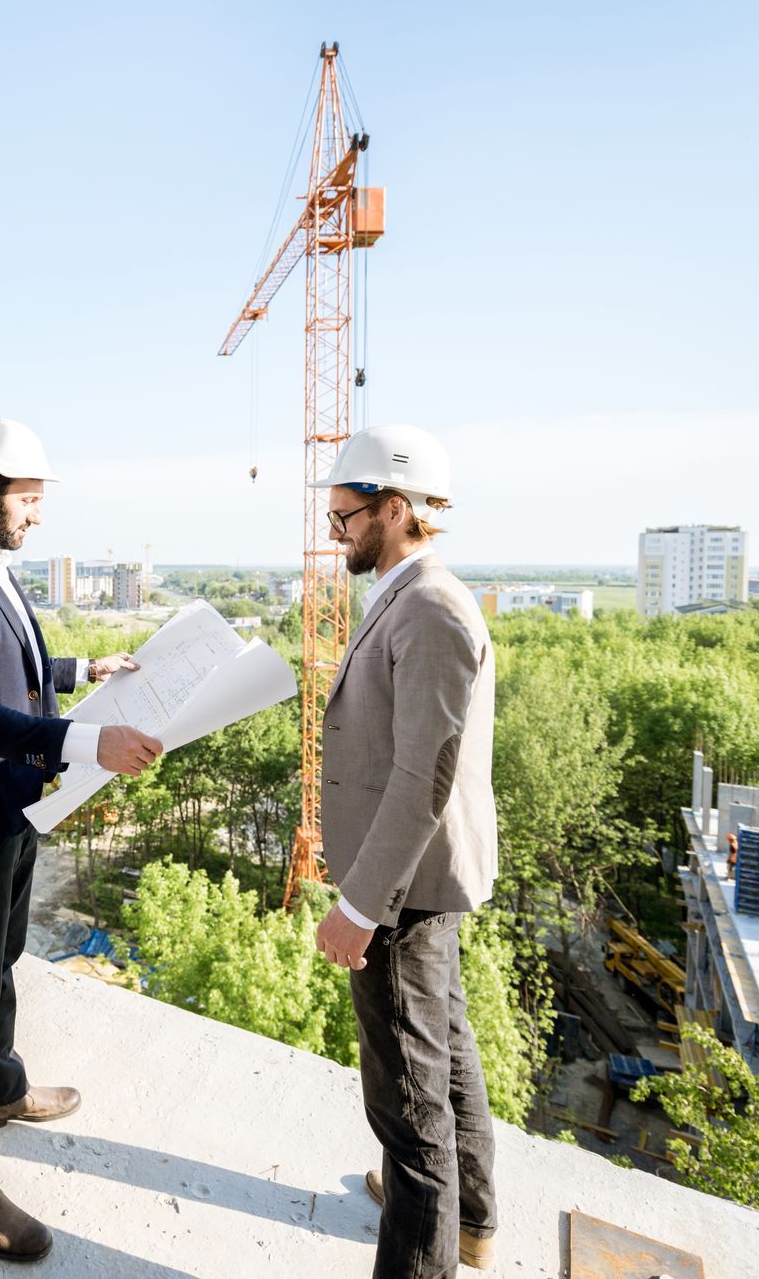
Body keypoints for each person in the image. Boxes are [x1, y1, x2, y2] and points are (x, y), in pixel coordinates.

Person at [0, 417, 164, 1263]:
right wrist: (90, 743)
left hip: (13, 799)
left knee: (5, 952)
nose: (38, 516)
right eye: (30, 499)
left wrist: (83, 674)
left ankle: (2, 1087)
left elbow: (7, 663)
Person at [308, 424, 500, 1278]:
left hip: (402, 890)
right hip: (415, 882)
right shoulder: (404, 591)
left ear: (394, 509)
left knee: (409, 1108)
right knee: (447, 1053)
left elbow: (427, 773)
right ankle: (472, 1221)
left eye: (346, 516)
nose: (336, 532)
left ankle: (428, 1241)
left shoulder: (430, 608)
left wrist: (358, 906)